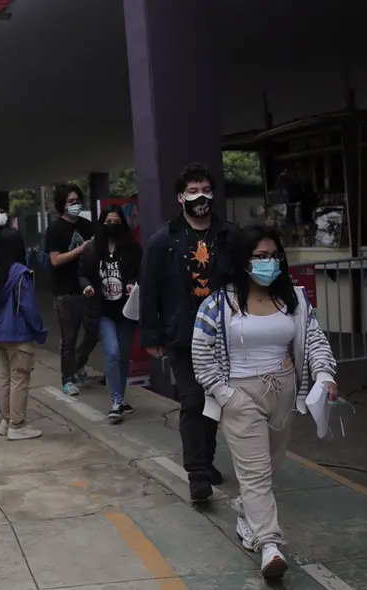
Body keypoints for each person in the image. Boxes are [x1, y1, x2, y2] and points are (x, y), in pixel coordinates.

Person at [191, 225, 337, 580]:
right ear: (243, 260)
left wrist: (325, 375)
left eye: (274, 255)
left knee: (267, 469)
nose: (269, 263)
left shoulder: (295, 299)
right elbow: (201, 354)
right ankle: (270, 545)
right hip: (240, 396)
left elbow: (314, 340)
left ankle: (247, 516)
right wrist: (227, 396)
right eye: (260, 256)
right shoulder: (219, 303)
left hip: (284, 392)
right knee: (256, 474)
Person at [140, 162, 239, 502]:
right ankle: (197, 474)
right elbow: (149, 289)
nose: (201, 196)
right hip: (183, 334)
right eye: (193, 191)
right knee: (193, 399)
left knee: (215, 401)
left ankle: (205, 461)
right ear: (180, 198)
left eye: (206, 190)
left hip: (224, 333)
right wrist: (151, 336)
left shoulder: (230, 236)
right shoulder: (163, 240)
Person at [79, 205, 141, 424]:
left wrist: (133, 284)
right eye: (108, 221)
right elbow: (83, 274)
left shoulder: (131, 249)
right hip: (102, 311)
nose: (112, 225)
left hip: (125, 311)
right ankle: (115, 402)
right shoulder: (91, 249)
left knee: (123, 356)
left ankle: (121, 397)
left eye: (116, 221)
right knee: (112, 352)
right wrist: (87, 286)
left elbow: (138, 272)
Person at [0, 228, 47, 441]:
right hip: (19, 335)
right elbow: (29, 308)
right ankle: (17, 425)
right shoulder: (22, 274)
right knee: (20, 379)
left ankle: (6, 420)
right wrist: (40, 332)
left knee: (6, 378)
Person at [44, 183, 98, 395]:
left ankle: (77, 366)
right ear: (62, 205)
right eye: (71, 202)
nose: (75, 205)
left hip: (89, 289)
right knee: (69, 338)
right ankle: (67, 379)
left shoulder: (87, 225)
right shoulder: (55, 229)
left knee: (94, 332)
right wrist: (81, 249)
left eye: (77, 201)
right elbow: (56, 260)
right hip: (65, 292)